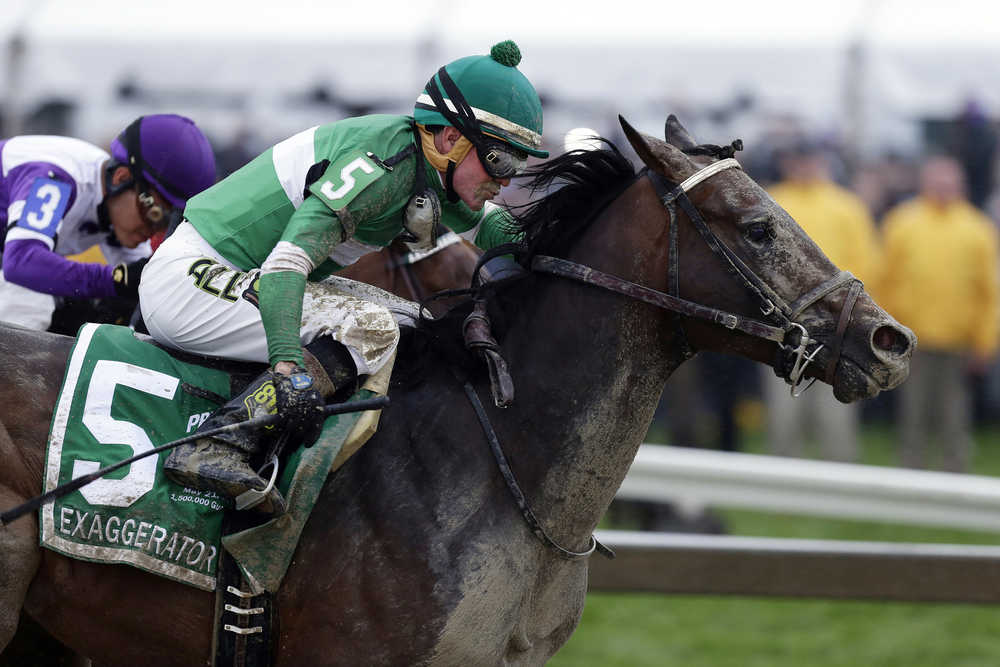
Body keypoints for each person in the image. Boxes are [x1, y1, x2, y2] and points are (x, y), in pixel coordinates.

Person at [139, 41, 547, 515]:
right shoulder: (381, 165)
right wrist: (287, 366)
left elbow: (493, 225)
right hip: (192, 278)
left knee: (418, 322)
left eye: (518, 165)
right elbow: (286, 267)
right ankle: (218, 443)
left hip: (241, 276)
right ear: (446, 139)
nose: (506, 179)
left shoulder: (430, 170)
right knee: (373, 327)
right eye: (500, 160)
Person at [0, 114, 216, 330]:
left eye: (166, 224)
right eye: (156, 214)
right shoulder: (57, 178)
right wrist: (114, 281)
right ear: (121, 178)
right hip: (14, 263)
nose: (152, 231)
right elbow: (20, 262)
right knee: (31, 301)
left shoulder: (119, 205)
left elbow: (143, 287)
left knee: (85, 311)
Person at [762, 139, 881, 461]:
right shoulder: (773, 201)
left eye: (810, 159)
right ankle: (783, 474)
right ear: (788, 162)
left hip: (836, 325)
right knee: (783, 404)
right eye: (798, 159)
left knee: (835, 405)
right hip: (785, 323)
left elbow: (867, 263)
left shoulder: (847, 207)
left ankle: (840, 473)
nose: (804, 166)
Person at [879, 156, 1000, 472]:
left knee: (954, 412)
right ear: (924, 183)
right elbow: (885, 280)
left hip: (958, 341)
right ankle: (910, 470)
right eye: (937, 182)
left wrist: (984, 343)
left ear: (960, 185)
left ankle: (954, 473)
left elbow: (989, 292)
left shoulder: (978, 228)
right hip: (910, 340)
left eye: (950, 182)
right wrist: (885, 331)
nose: (943, 188)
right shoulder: (902, 223)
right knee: (912, 410)